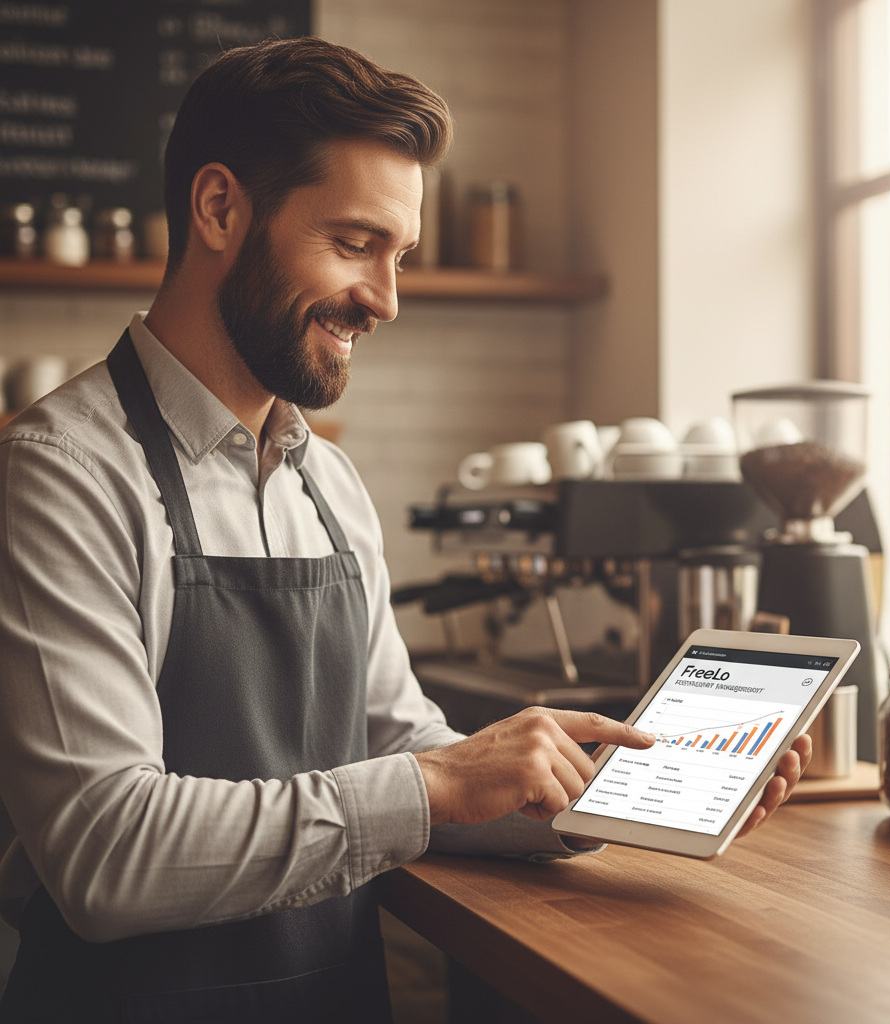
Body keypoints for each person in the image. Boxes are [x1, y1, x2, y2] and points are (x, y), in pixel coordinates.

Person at [0, 37, 811, 1022]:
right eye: (353, 244)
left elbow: (398, 741)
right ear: (218, 208)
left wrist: (599, 799)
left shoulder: (328, 483)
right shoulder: (61, 473)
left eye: (400, 255)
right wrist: (432, 780)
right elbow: (105, 851)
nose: (385, 300)